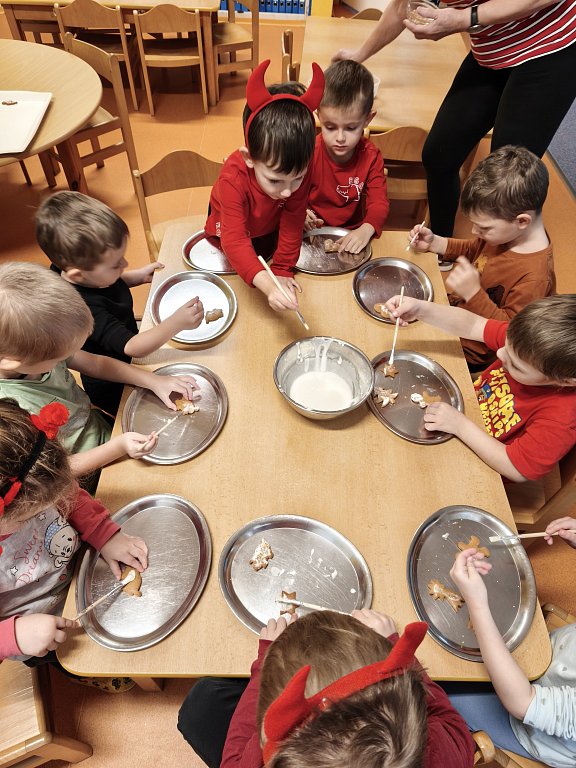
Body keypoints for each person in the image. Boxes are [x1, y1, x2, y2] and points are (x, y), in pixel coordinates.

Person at [333, 0, 576, 237]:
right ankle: (441, 244)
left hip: (550, 43)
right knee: (439, 155)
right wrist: (358, 56)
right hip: (492, 48)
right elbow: (401, 7)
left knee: (507, 181)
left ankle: (505, 260)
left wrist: (464, 18)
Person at [177, 609, 476, 768]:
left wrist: (264, 662)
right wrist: (396, 648)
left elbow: (235, 753)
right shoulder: (443, 750)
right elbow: (449, 720)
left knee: (201, 704)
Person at [0, 262, 197, 480]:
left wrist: (152, 380)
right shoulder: (10, 414)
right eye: (60, 357)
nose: (68, 357)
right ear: (12, 362)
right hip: (86, 479)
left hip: (104, 434)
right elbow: (53, 473)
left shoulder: (35, 351)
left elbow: (95, 364)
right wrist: (117, 448)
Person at [0, 398, 146, 681]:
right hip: (44, 627)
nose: (50, 507)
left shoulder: (35, 480)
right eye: (31, 516)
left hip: (80, 569)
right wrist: (12, 636)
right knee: (85, 663)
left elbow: (68, 493)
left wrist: (103, 533)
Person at [36, 191, 205, 416]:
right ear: (77, 274)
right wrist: (176, 323)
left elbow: (101, 283)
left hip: (129, 356)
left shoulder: (75, 272)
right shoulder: (82, 308)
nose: (124, 264)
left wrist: (135, 276)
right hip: (114, 382)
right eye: (116, 265)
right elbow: (133, 347)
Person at [384, 293, 576, 482]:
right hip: (465, 413)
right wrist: (422, 309)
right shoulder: (525, 343)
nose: (500, 354)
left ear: (566, 381)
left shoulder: (562, 419)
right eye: (505, 344)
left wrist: (460, 426)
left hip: (482, 466)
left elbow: (516, 469)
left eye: (516, 366)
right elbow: (473, 325)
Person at [407, 145, 555, 372]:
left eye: (483, 228)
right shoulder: (506, 235)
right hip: (455, 314)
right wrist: (436, 243)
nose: (474, 232)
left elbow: (510, 333)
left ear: (522, 221)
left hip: (469, 351)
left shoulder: (535, 277)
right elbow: (474, 249)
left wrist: (473, 294)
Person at [445, 517, 576, 767]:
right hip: (549, 656)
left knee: (439, 685)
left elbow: (522, 702)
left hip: (525, 726)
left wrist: (477, 605)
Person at [204, 59, 324, 314]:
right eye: (275, 180)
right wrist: (269, 287)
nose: (288, 191)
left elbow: (293, 219)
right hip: (232, 229)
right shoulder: (232, 179)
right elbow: (235, 240)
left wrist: (282, 269)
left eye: (298, 178)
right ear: (249, 158)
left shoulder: (297, 169)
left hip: (268, 224)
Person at [305, 60, 389, 254]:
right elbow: (291, 195)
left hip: (353, 232)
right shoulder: (308, 151)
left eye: (351, 128)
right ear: (318, 115)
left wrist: (367, 227)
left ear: (367, 119)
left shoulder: (371, 157)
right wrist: (299, 212)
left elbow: (379, 202)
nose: (340, 138)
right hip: (311, 231)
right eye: (330, 127)